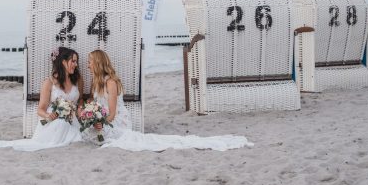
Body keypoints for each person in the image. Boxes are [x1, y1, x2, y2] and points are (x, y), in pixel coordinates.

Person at [85, 49, 252, 153]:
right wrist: (92, 117)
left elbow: (112, 114)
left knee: (112, 140)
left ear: (98, 63)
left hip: (116, 121)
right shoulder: (96, 83)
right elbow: (96, 106)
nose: (88, 65)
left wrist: (100, 122)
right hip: (105, 119)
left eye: (90, 62)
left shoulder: (111, 82)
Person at [0, 46, 84, 152]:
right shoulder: (48, 83)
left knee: (76, 133)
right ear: (63, 62)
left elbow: (81, 100)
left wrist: (79, 108)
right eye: (73, 61)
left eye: (76, 61)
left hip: (72, 119)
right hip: (54, 120)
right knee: (60, 124)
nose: (75, 64)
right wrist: (48, 115)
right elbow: (40, 109)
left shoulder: (77, 80)